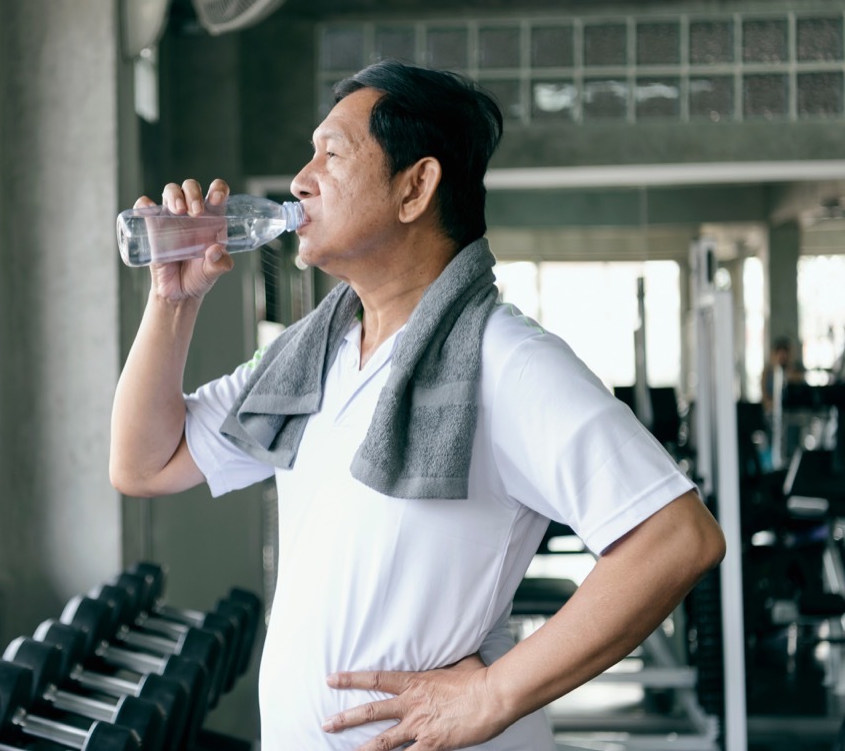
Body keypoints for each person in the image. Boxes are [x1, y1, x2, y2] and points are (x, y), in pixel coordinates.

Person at [109, 59, 726, 750]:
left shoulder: (505, 359)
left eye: (332, 155)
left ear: (415, 188)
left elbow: (677, 538)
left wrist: (493, 694)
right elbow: (145, 464)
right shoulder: (310, 359)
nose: (301, 180)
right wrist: (172, 300)